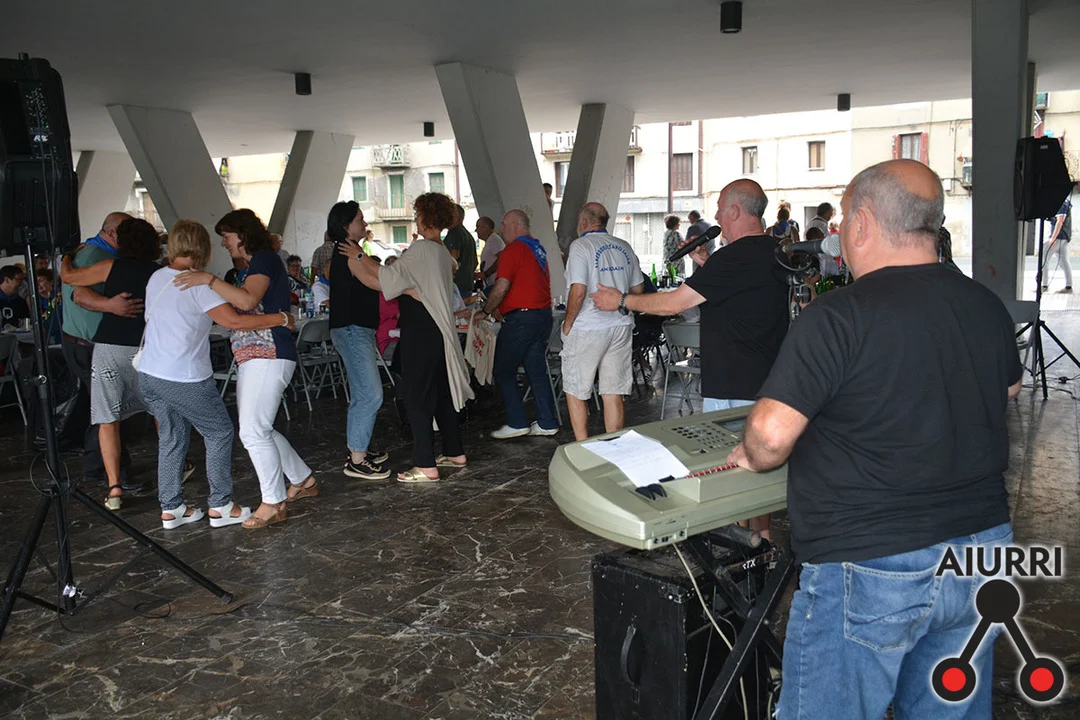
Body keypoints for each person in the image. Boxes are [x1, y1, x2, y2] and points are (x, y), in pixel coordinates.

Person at [728, 159, 1022, 719]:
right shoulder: (984, 303)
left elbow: (769, 435)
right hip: (980, 552)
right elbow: (1008, 389)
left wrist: (752, 454)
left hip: (869, 559)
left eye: (843, 220)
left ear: (861, 223)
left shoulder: (839, 315)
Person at [592, 179, 787, 539]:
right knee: (757, 478)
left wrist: (620, 300)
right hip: (765, 380)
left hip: (733, 383)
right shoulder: (774, 251)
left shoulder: (733, 257)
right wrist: (709, 265)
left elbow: (673, 304)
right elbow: (745, 295)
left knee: (734, 476)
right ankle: (761, 547)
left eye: (720, 209)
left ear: (734, 211)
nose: (717, 216)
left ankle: (748, 550)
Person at [139, 219, 294, 529]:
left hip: (149, 373)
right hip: (183, 375)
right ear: (204, 248)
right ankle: (221, 505)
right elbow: (235, 321)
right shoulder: (198, 284)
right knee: (219, 432)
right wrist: (280, 319)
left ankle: (171, 508)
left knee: (171, 437)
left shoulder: (157, 277)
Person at [174, 208, 318, 529]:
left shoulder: (264, 259)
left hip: (268, 352)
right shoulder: (254, 265)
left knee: (253, 431)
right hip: (257, 354)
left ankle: (273, 501)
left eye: (227, 237)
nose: (224, 243)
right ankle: (302, 479)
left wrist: (209, 280)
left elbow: (248, 301)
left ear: (242, 234)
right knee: (259, 428)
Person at [337, 192, 473, 483]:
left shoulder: (421, 249)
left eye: (417, 215)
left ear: (426, 217)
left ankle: (425, 465)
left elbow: (384, 279)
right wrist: (362, 259)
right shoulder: (442, 253)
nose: (416, 220)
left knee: (416, 396)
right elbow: (391, 276)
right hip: (439, 331)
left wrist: (357, 257)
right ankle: (454, 451)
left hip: (421, 329)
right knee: (441, 394)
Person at [59, 218, 162, 510]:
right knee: (160, 412)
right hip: (148, 349)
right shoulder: (160, 273)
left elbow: (69, 279)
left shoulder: (110, 266)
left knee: (108, 418)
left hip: (110, 347)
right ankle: (173, 469)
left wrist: (67, 255)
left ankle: (114, 487)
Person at [560, 203, 643, 441]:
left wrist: (568, 323)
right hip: (620, 325)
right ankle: (614, 445)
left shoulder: (580, 246)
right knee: (612, 391)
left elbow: (578, 290)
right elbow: (637, 289)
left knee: (576, 390)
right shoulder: (624, 246)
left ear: (584, 222)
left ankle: (582, 446)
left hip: (588, 327)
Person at [476, 209, 560, 438]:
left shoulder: (513, 249)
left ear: (515, 225)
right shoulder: (537, 248)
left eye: (504, 224)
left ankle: (517, 422)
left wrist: (486, 310)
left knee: (503, 370)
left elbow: (502, 285)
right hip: (542, 316)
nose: (501, 229)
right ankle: (547, 422)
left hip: (521, 319)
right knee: (536, 370)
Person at [327, 201, 389, 480]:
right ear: (345, 226)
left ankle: (358, 448)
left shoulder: (354, 251)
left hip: (356, 329)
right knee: (372, 393)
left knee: (362, 393)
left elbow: (375, 273)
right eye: (360, 220)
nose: (365, 224)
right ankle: (357, 460)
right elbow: (376, 282)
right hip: (352, 329)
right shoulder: (348, 252)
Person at [443, 204, 478, 298]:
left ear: (456, 216)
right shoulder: (469, 236)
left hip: (455, 286)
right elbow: (475, 262)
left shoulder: (454, 233)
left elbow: (454, 256)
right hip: (467, 285)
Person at [1042, 197, 1073, 293]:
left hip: (1058, 237)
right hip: (1064, 237)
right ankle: (1069, 286)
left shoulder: (1061, 204)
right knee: (1064, 262)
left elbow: (1060, 221)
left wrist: (1053, 238)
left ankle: (1044, 285)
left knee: (1044, 259)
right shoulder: (1066, 202)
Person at [476, 216, 505, 291]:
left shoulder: (494, 240)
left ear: (486, 227)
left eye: (478, 226)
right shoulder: (490, 241)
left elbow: (502, 258)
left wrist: (486, 273)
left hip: (495, 285)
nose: (476, 230)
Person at [35, 268, 63, 344]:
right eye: (35, 282)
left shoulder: (60, 297)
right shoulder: (35, 300)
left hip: (58, 337)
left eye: (40, 281)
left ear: (51, 282)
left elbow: (51, 318)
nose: (37, 284)